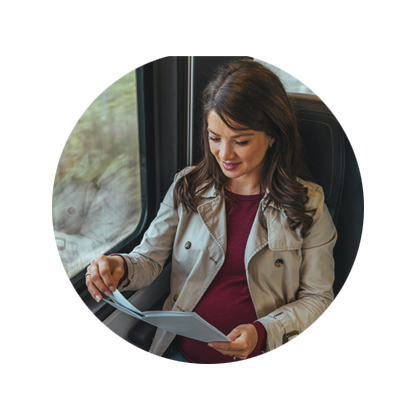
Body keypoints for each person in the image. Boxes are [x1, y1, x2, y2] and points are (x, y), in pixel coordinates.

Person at [85, 59, 337, 364]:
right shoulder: (188, 186)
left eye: (241, 141)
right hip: (187, 357)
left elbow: (318, 298)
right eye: (214, 138)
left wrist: (264, 332)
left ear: (272, 135)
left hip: (269, 359)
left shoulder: (309, 203)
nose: (225, 154)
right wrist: (118, 266)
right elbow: (148, 259)